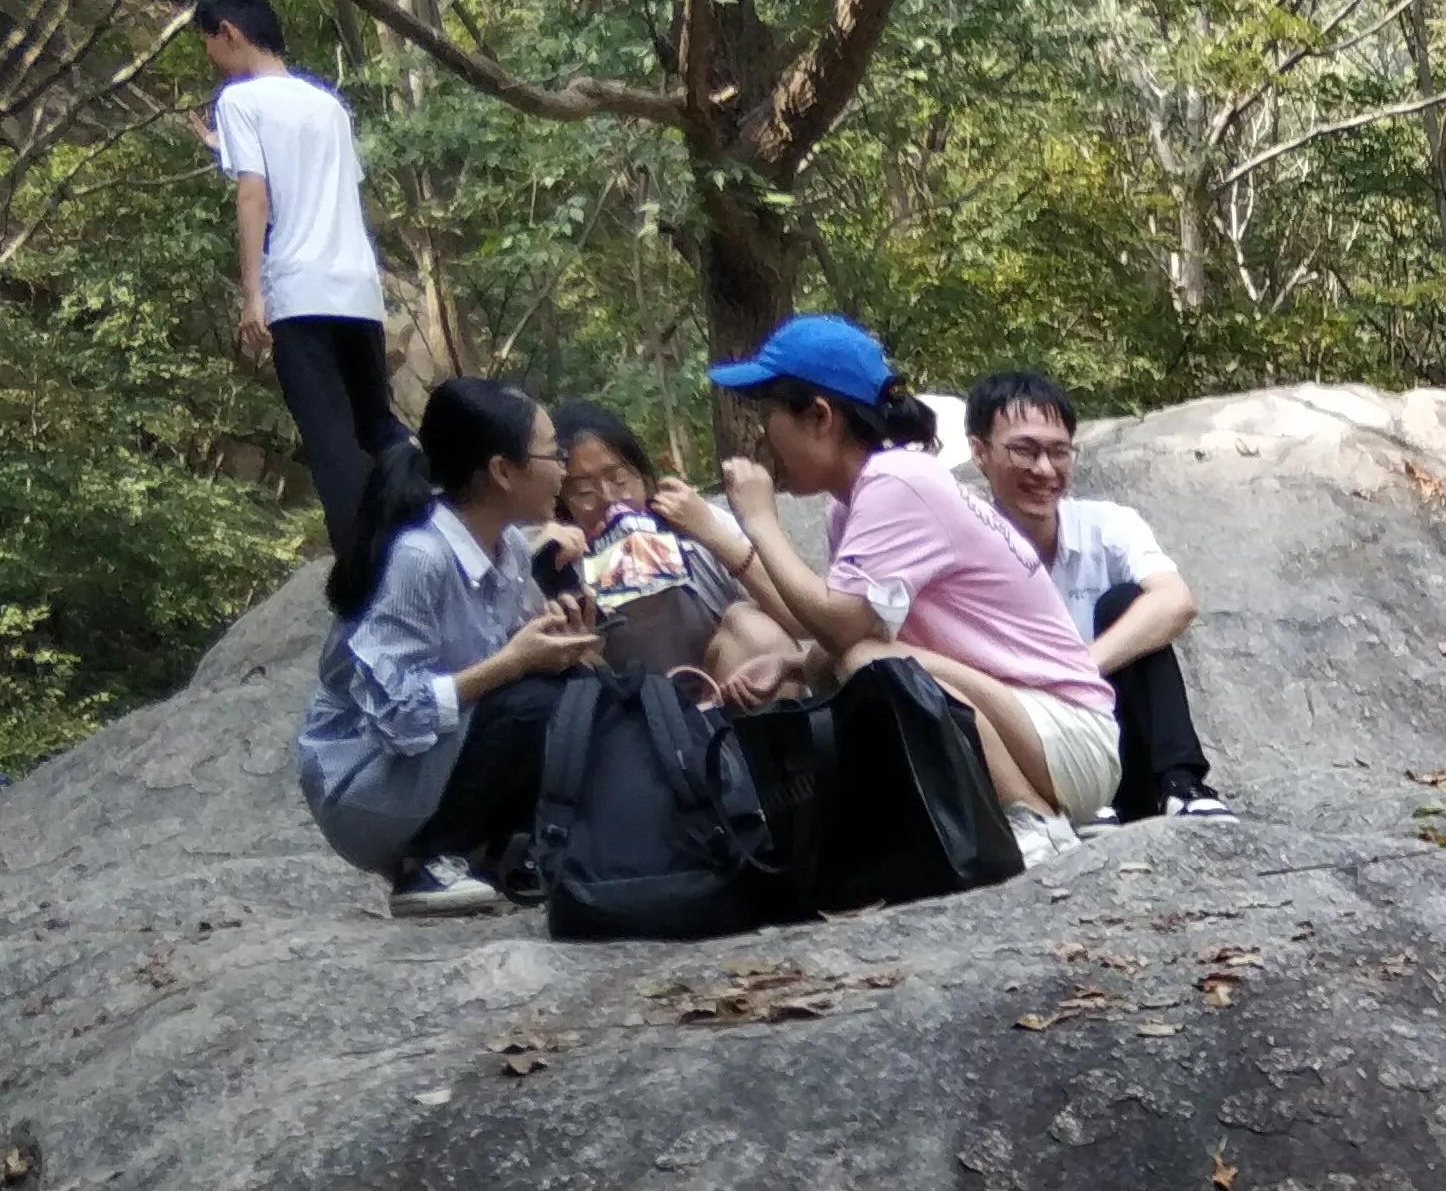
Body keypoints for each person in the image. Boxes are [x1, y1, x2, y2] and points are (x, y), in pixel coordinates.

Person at [684, 314, 1117, 853]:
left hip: (1068, 736)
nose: (761, 433)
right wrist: (795, 664)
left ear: (820, 416)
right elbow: (848, 622)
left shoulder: (898, 482)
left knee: (872, 664)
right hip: (1034, 728)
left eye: (768, 412)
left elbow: (847, 629)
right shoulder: (859, 503)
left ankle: (1028, 821)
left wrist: (759, 522)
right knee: (860, 662)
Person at [295, 378, 600, 917]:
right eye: (552, 452)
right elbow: (398, 712)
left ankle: (507, 855)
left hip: (431, 761)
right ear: (503, 472)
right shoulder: (421, 557)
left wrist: (561, 637)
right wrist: (515, 662)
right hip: (364, 784)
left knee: (578, 690)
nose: (564, 467)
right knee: (534, 702)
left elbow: (515, 650)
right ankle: (431, 863)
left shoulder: (504, 543)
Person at [195, 0, 405, 562]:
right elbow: (319, 186)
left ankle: (368, 577)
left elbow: (255, 196)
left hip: (299, 291)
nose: (212, 57)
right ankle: (431, 528)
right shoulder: (327, 104)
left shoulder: (239, 102)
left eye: (209, 43)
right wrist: (225, 149)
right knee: (379, 429)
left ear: (229, 33)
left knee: (332, 441)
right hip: (356, 289)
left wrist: (251, 295)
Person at [964, 368, 1231, 823]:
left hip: (1124, 756)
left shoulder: (1106, 525)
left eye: (1058, 451)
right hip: (1037, 761)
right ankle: (1064, 805)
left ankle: (1180, 784)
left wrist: (1075, 670)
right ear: (979, 451)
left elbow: (1176, 601)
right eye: (1024, 450)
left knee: (1127, 603)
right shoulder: (964, 543)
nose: (1044, 469)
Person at [549, 400, 811, 699]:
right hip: (636, 719)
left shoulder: (698, 524)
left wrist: (713, 535)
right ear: (562, 503)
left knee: (753, 627)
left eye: (620, 479)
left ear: (645, 479)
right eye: (583, 492)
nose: (609, 499)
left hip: (727, 695)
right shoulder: (558, 566)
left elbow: (802, 621)